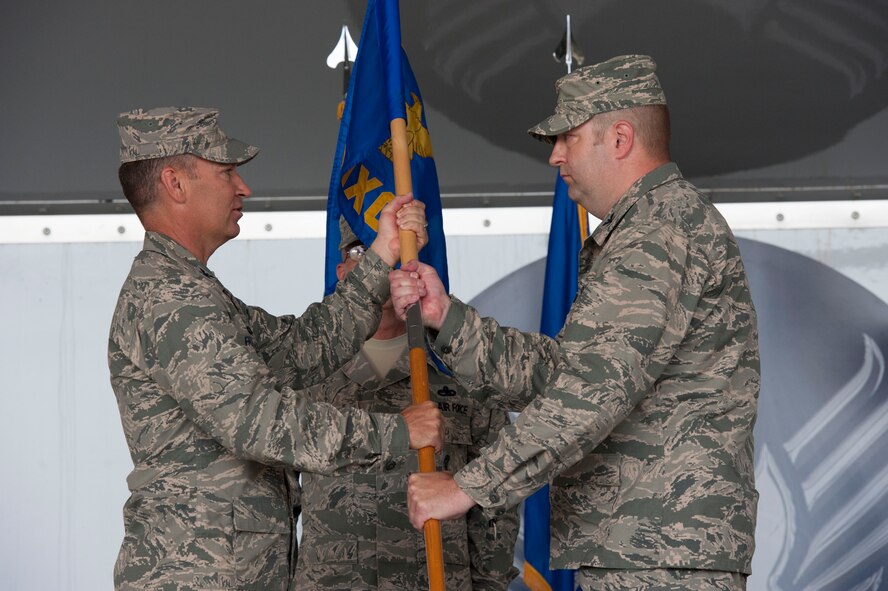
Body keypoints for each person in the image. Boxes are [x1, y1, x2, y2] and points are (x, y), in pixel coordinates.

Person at [390, 55, 760, 591]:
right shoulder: (650, 228)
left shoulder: (657, 232)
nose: (555, 157)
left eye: (568, 137)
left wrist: (466, 488)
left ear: (620, 138)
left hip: (660, 551)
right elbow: (569, 375)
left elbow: (588, 393)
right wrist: (446, 319)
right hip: (646, 546)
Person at [109, 106, 444, 591]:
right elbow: (259, 422)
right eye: (226, 172)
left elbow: (301, 348)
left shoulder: (195, 291)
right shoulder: (170, 300)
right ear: (175, 184)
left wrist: (381, 253)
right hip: (196, 574)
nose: (242, 187)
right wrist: (396, 432)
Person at [293, 217, 518, 590]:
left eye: (398, 251)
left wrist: (487, 584)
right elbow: (279, 498)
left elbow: (496, 504)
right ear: (341, 270)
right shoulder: (306, 375)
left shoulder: (463, 373)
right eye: (361, 251)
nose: (378, 266)